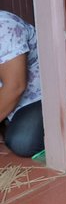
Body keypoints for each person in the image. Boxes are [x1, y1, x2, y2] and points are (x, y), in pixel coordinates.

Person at [0, 10, 44, 157]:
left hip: (39, 97)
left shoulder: (5, 25)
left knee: (23, 142)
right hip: (7, 100)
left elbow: (15, 87)